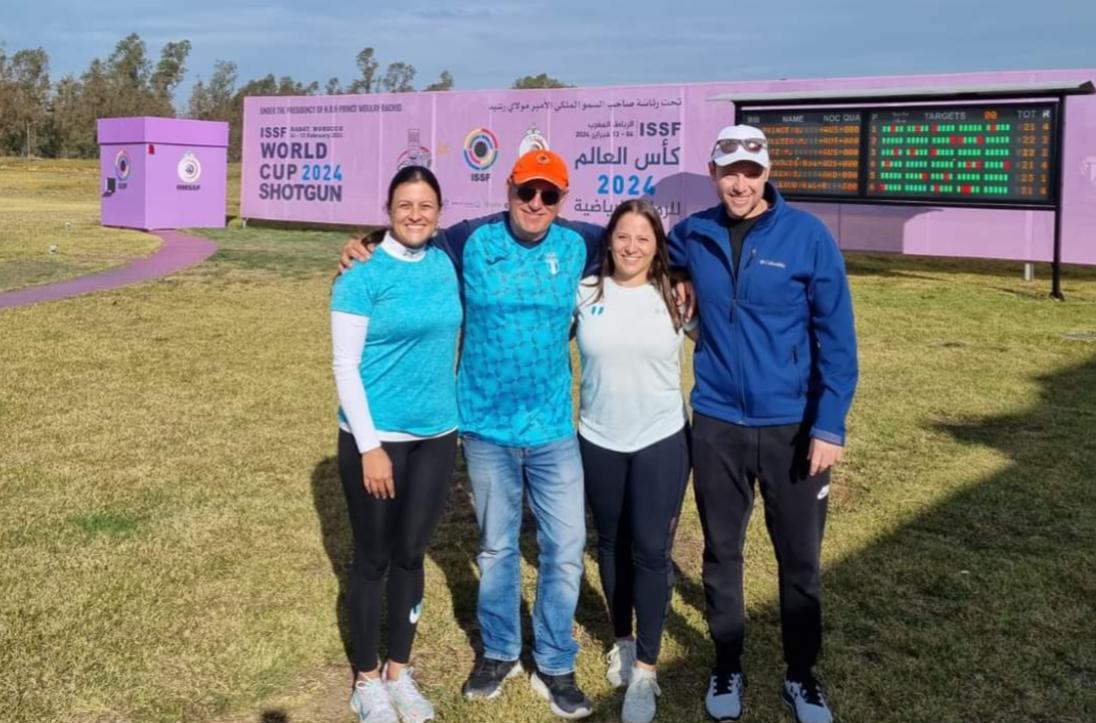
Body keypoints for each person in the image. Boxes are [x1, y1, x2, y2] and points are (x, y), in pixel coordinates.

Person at [341, 150, 610, 719]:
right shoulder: (469, 239)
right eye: (526, 192)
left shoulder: (580, 241)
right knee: (496, 546)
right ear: (508, 189)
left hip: (553, 428)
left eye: (549, 195)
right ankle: (500, 651)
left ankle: (557, 662)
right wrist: (362, 242)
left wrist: (682, 274)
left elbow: (647, 240)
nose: (536, 204)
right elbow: (411, 232)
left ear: (564, 199)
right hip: (485, 426)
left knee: (564, 549)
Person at [667, 125, 858, 723]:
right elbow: (635, 248)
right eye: (730, 171)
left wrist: (829, 425)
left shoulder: (807, 237)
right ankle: (727, 663)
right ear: (714, 171)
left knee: (799, 559)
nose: (741, 182)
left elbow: (838, 339)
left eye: (751, 171)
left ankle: (801, 676)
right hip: (719, 420)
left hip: (793, 428)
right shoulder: (691, 233)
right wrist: (676, 280)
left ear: (767, 171)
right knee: (722, 553)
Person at [331, 165, 462, 723]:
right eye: (405, 205)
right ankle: (366, 680)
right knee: (373, 561)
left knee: (412, 556)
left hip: (438, 437)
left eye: (426, 205)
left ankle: (398, 673)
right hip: (377, 440)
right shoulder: (360, 273)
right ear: (388, 210)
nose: (416, 215)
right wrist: (370, 447)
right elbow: (345, 366)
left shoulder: (446, 261)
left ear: (439, 211)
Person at [573, 199, 695, 723]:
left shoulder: (677, 296)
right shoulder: (583, 292)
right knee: (609, 544)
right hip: (598, 439)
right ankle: (621, 640)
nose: (631, 247)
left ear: (657, 246)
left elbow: (724, 341)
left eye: (643, 239)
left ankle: (646, 668)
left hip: (660, 440)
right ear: (609, 240)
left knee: (650, 551)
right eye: (623, 236)